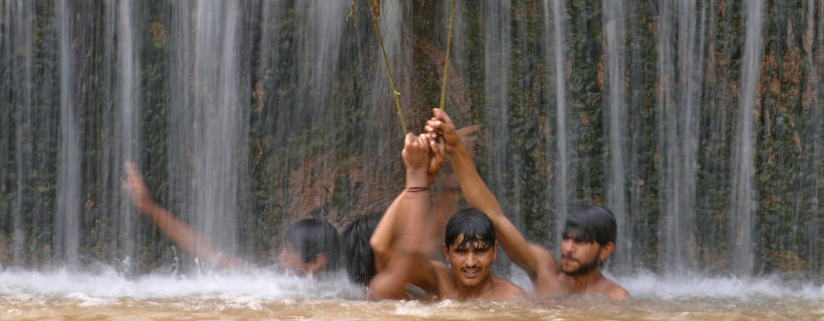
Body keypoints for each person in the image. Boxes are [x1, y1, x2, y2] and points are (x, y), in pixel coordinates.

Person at [425, 109, 630, 300]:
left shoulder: (616, 299)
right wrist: (456, 149)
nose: (569, 248)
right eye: (566, 238)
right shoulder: (545, 271)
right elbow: (493, 216)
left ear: (605, 250)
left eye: (581, 242)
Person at [368, 133, 525, 301]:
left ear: (494, 251)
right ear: (447, 252)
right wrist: (421, 180)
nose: (470, 262)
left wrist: (417, 177)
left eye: (480, 251)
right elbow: (381, 244)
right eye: (461, 251)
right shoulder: (440, 278)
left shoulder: (512, 297)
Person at [122, 161, 339, 275]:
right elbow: (207, 252)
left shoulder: (341, 296)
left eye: (290, 251)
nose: (279, 257)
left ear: (316, 262)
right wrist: (148, 206)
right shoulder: (270, 285)